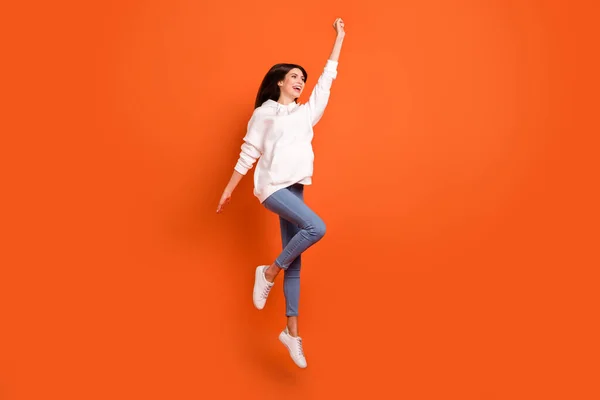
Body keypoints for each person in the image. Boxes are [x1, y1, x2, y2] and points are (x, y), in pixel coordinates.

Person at [216, 17, 346, 368]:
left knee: (297, 263)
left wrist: (339, 40)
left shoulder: (306, 115)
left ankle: (291, 333)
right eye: (294, 76)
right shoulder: (265, 113)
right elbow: (248, 152)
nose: (300, 81)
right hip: (272, 187)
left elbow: (326, 83)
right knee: (315, 228)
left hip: (296, 188)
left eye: (302, 78)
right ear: (280, 82)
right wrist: (228, 190)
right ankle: (268, 272)